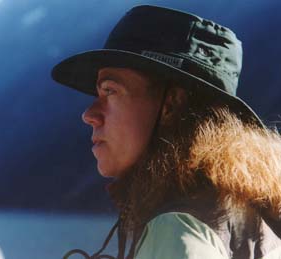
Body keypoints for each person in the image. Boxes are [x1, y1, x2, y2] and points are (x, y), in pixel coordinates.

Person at [52, 5, 281, 259]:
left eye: (110, 91)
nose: (89, 115)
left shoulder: (179, 228)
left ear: (171, 102)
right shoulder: (253, 217)